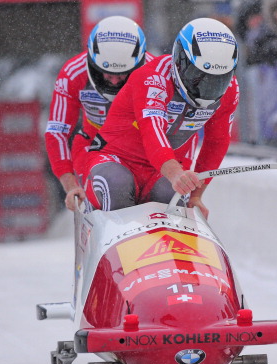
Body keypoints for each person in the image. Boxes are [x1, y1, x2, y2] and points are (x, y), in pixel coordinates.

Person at [82, 18, 240, 219]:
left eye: (218, 80)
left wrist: (196, 194)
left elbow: (216, 142)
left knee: (169, 196)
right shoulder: (152, 77)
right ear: (180, 62)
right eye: (198, 77)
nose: (206, 88)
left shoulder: (231, 89)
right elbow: (152, 130)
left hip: (161, 172)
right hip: (115, 159)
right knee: (117, 185)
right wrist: (175, 173)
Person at [44, 16, 153, 211]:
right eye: (107, 73)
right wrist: (70, 185)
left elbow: (179, 127)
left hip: (141, 148)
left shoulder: (155, 73)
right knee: (110, 189)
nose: (114, 82)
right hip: (95, 146)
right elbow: (56, 131)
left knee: (163, 194)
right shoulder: (73, 73)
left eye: (122, 75)